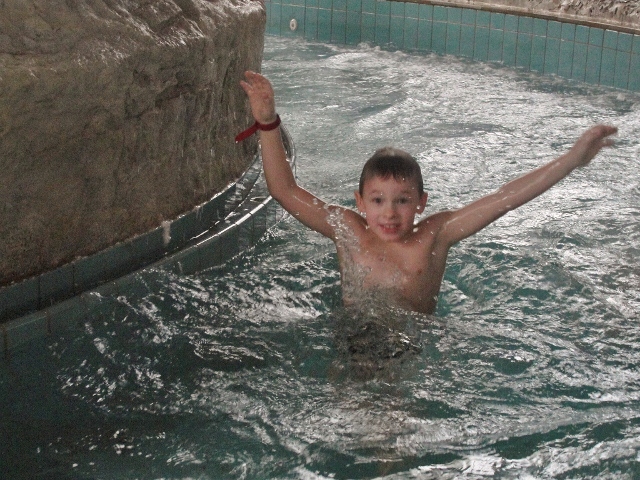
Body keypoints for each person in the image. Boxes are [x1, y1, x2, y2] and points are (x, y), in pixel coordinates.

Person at [238, 70, 617, 315]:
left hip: (410, 342)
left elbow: (505, 198)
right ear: (360, 202)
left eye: (403, 200)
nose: (389, 213)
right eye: (378, 200)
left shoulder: (435, 235)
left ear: (422, 203)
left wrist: (572, 160)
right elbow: (284, 190)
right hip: (353, 335)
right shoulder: (347, 230)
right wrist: (267, 123)